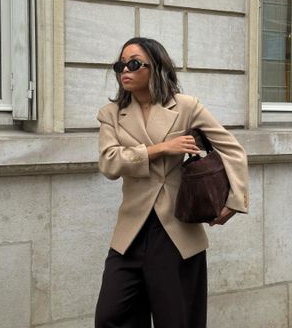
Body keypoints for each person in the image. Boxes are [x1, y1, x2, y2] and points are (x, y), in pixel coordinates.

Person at [95, 37, 249, 328]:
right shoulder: (111, 114)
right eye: (120, 65)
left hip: (176, 230)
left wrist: (235, 201)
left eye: (134, 63)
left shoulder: (186, 106)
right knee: (110, 316)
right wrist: (161, 148)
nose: (124, 70)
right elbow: (109, 163)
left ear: (156, 67)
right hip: (130, 232)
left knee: (176, 319)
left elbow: (231, 148)